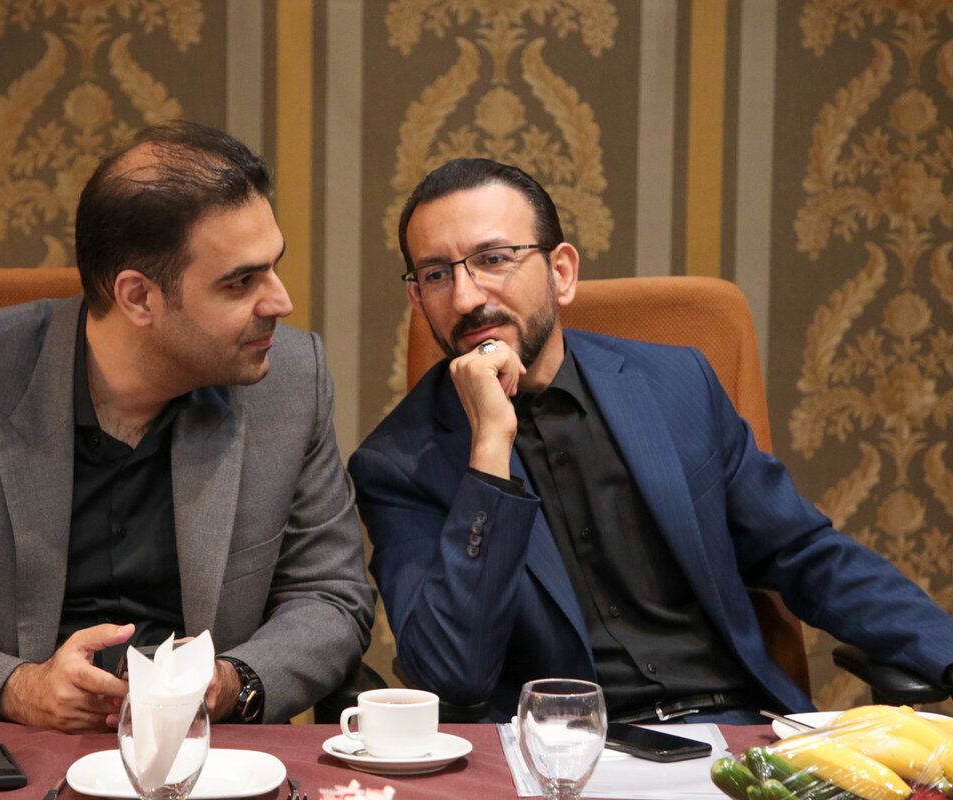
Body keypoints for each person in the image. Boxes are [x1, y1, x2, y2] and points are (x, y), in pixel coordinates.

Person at [349, 157, 953, 723]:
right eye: (437, 274)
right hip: (552, 753)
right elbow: (451, 675)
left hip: (726, 733)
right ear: (417, 297)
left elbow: (805, 553)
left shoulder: (676, 383)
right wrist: (489, 454)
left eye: (494, 259)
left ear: (561, 273)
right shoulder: (398, 462)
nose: (466, 297)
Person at [0, 121, 375, 732]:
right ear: (137, 297)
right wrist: (15, 688)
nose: (280, 302)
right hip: (11, 749)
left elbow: (330, 596)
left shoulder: (291, 379)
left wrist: (232, 682)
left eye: (273, 267)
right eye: (241, 281)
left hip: (209, 756)